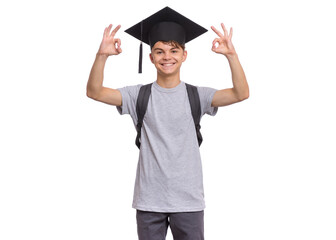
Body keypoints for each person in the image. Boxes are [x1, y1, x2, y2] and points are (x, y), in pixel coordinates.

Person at [86, 6, 249, 240]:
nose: (167, 57)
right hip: (149, 201)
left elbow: (240, 94)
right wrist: (102, 56)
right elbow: (95, 92)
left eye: (174, 50)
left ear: (184, 55)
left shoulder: (198, 95)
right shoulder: (137, 95)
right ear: (151, 57)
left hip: (189, 202)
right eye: (160, 52)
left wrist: (231, 56)